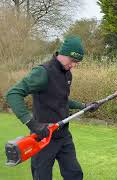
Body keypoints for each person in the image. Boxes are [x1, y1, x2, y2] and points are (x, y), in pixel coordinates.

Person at [5, 36, 98, 180]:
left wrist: (84, 106)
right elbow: (13, 94)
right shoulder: (42, 72)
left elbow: (62, 100)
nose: (74, 65)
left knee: (74, 174)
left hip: (63, 136)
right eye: (73, 61)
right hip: (43, 138)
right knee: (42, 177)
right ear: (63, 54)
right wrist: (33, 124)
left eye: (77, 62)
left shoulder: (67, 74)